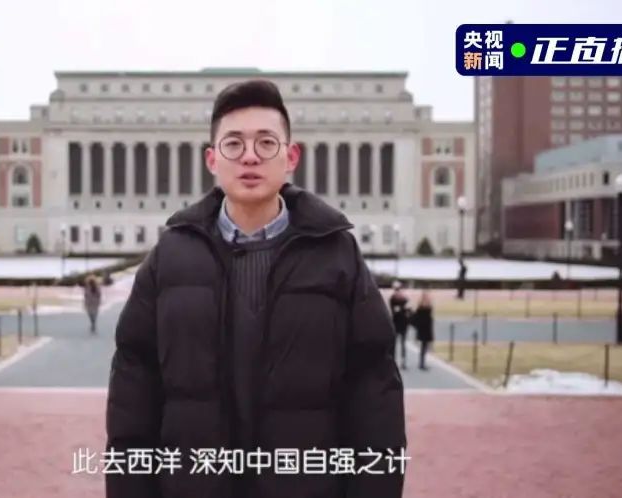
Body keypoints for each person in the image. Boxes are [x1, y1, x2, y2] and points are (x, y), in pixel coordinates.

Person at [105, 80, 405, 498]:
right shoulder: (169, 259)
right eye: (233, 144)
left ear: (291, 156)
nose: (249, 156)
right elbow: (133, 399)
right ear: (212, 159)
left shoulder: (338, 256)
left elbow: (374, 397)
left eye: (266, 142)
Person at [388, 281, 412, 370]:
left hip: (403, 323)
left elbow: (408, 311)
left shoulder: (404, 299)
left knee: (402, 343)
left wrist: (404, 310)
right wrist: (403, 309)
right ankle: (393, 361)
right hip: (396, 323)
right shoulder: (393, 299)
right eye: (396, 289)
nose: (397, 291)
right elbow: (394, 311)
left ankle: (403, 361)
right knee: (395, 344)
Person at [411, 291, 435, 371]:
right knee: (424, 346)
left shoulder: (425, 306)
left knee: (425, 346)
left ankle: (422, 363)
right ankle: (421, 363)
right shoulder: (422, 307)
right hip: (423, 328)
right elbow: (418, 317)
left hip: (426, 327)